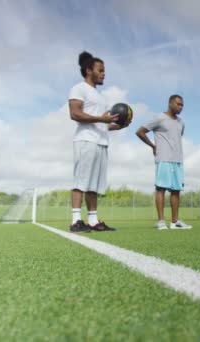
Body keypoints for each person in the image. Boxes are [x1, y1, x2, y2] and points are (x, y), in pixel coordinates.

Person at [68, 51, 121, 233]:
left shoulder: (101, 97)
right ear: (89, 70)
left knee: (94, 186)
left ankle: (93, 221)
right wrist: (101, 119)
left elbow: (103, 124)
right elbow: (74, 113)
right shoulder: (79, 88)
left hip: (101, 142)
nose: (104, 73)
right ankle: (76, 221)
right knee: (80, 182)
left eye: (104, 70)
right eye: (101, 70)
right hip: (85, 140)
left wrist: (118, 125)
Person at [136, 95, 192, 230]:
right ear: (170, 103)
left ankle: (175, 222)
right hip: (163, 159)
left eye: (182, 105)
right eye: (178, 104)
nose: (181, 107)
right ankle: (161, 221)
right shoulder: (159, 118)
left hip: (177, 160)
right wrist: (153, 146)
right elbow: (140, 132)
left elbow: (176, 138)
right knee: (160, 189)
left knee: (176, 190)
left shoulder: (181, 123)